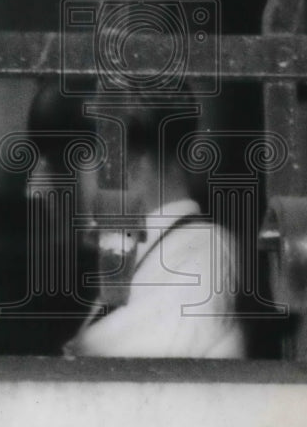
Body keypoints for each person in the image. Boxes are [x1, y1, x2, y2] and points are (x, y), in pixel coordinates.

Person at [26, 79, 245, 359]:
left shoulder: (201, 252)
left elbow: (112, 384)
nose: (36, 189)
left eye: (57, 163)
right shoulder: (142, 256)